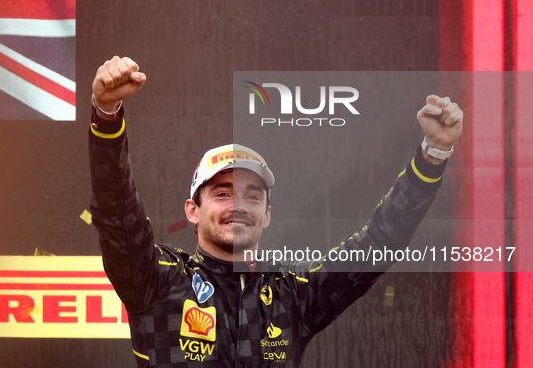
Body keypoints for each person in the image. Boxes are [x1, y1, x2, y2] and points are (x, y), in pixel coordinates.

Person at [89, 56, 463, 367]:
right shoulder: (157, 281)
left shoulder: (292, 297)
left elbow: (380, 241)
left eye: (253, 196)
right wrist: (107, 115)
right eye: (222, 193)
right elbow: (116, 209)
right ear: (192, 210)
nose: (238, 206)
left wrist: (434, 155)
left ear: (267, 215)